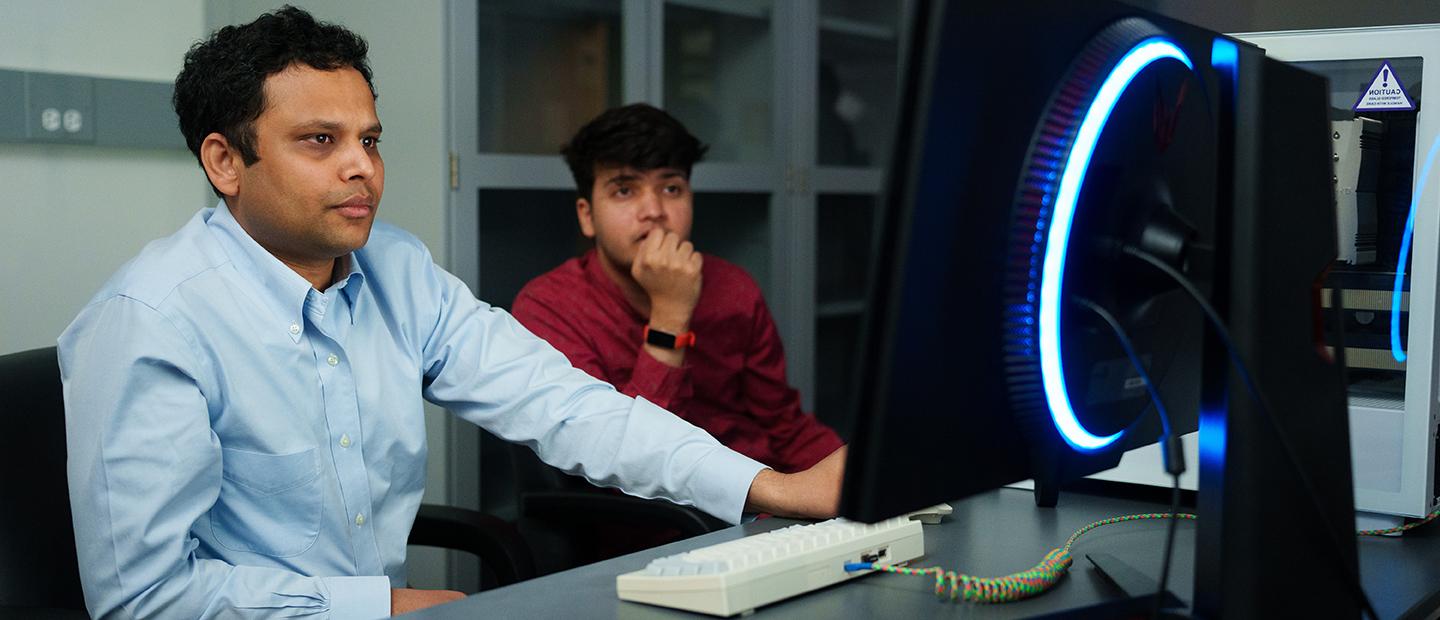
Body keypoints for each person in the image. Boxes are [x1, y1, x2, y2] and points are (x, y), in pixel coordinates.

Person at [58, 8, 843, 619]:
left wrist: (766, 485)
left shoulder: (395, 268)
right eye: (320, 140)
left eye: (369, 137)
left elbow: (566, 404)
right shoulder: (150, 322)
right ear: (225, 161)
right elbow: (142, 598)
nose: (362, 165)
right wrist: (375, 606)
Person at [512, 104, 845, 474]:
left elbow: (787, 428)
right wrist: (670, 315)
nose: (653, 209)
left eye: (671, 188)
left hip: (762, 498)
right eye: (625, 190)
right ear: (587, 216)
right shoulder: (548, 306)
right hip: (653, 522)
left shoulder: (734, 288)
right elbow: (629, 461)